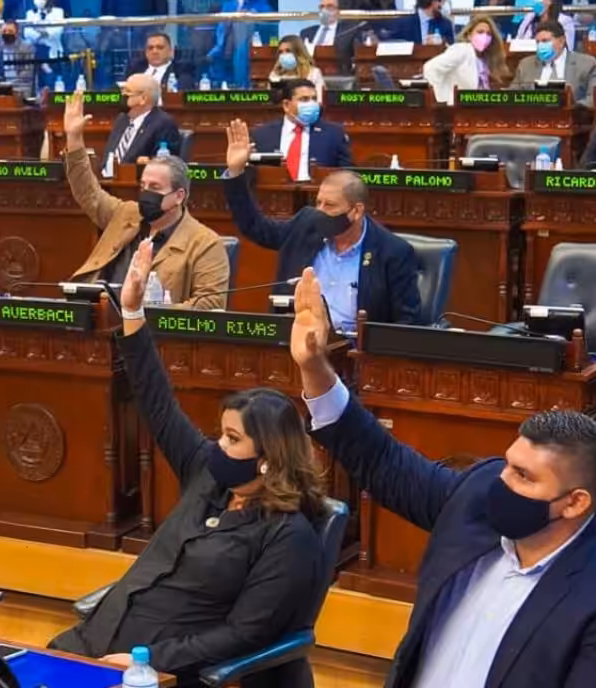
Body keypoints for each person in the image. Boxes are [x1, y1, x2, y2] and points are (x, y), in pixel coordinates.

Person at [288, 266, 596, 688]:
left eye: (524, 477)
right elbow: (383, 461)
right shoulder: (481, 493)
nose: (503, 483)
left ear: (576, 501)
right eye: (508, 463)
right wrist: (315, 368)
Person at [48, 238, 325, 685]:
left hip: (158, 671)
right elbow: (159, 405)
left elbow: (244, 633)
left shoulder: (286, 536)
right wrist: (133, 312)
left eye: (232, 439)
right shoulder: (208, 475)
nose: (217, 445)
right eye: (220, 432)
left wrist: (149, 660)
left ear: (269, 460)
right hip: (92, 642)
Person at [225, 119, 420, 328]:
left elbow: (406, 324)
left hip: (353, 351)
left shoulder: (393, 252)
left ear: (356, 211)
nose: (320, 211)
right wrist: (236, 172)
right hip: (296, 341)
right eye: (319, 202)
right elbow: (254, 226)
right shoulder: (306, 225)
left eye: (330, 205)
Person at [62, 91, 229, 309]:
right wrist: (74, 140)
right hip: (99, 315)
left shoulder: (204, 243)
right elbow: (88, 193)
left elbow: (211, 303)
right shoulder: (126, 214)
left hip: (152, 332)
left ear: (179, 196)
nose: (146, 193)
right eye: (143, 186)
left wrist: (145, 312)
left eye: (155, 187)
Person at [249, 80, 351, 180]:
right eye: (304, 99)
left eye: (314, 99)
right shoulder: (262, 135)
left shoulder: (334, 133)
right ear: (286, 105)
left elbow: (347, 175)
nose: (312, 104)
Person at [424, 15, 511, 105]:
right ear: (469, 35)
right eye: (480, 32)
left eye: (488, 34)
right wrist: (443, 100)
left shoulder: (485, 59)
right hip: (458, 110)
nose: (484, 36)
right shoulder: (462, 50)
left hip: (479, 108)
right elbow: (430, 68)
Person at [512, 21, 596, 106]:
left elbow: (594, 98)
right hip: (533, 118)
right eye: (537, 42)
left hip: (572, 118)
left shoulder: (587, 64)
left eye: (545, 41)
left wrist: (572, 108)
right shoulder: (526, 65)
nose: (540, 46)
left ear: (561, 41)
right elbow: (511, 95)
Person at [208, 0, 272, 89]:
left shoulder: (260, 3)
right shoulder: (228, 5)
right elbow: (221, 27)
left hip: (252, 44)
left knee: (243, 32)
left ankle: (242, 86)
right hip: (227, 44)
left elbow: (270, 17)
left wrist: (254, 14)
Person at [104, 74, 182, 166]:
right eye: (122, 91)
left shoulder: (163, 124)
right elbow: (109, 157)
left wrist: (146, 162)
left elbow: (164, 165)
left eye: (128, 92)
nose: (122, 95)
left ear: (143, 99)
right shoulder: (122, 119)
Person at [383, 0, 454, 45]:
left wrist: (441, 42)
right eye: (444, 2)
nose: (446, 6)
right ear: (434, 2)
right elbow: (390, 45)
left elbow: (451, 48)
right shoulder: (404, 24)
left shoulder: (446, 24)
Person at [24, 0, 65, 90]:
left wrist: (41, 31)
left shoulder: (58, 12)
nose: (36, 0)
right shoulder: (30, 13)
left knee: (55, 84)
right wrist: (43, 33)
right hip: (36, 53)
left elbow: (57, 31)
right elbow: (27, 33)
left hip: (53, 51)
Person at [128, 32, 195, 92]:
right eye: (150, 48)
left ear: (170, 51)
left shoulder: (181, 71)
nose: (154, 52)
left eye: (160, 47)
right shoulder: (134, 70)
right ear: (146, 52)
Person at [269, 36, 326, 103]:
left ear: (298, 52)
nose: (284, 55)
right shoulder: (275, 74)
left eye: (288, 51)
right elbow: (270, 102)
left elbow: (320, 101)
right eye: (281, 52)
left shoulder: (314, 73)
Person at [0, 20, 35, 95]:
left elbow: (28, 72)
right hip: (1, 84)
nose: (7, 33)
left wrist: (12, 83)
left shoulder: (27, 47)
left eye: (10, 31)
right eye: (4, 31)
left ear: (17, 33)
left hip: (21, 84)